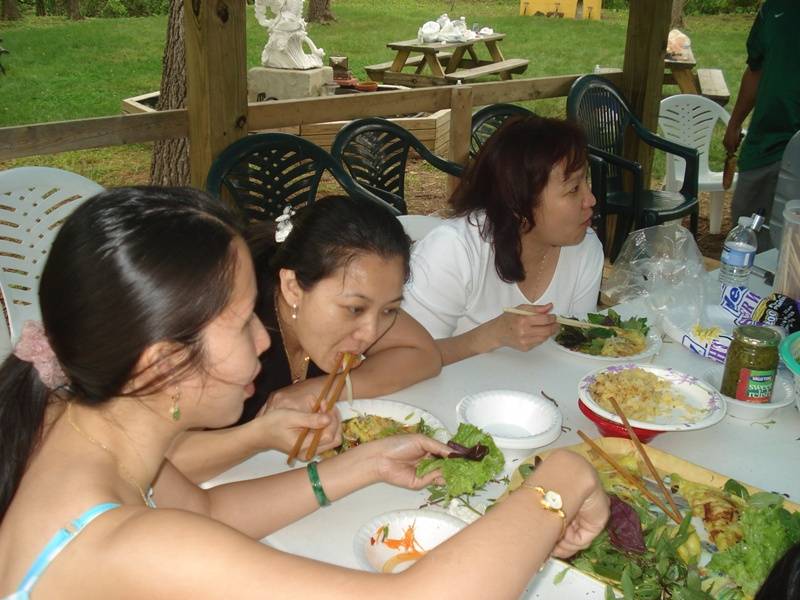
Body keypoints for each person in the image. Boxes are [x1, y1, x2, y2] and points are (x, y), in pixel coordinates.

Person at [0, 186, 609, 599]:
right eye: (242, 323)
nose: (264, 341)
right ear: (161, 364)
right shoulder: (124, 544)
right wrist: (562, 477)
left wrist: (360, 466)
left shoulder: (75, 420)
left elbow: (207, 512)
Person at [167, 195, 443, 482]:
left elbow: (423, 354)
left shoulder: (355, 304)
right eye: (354, 309)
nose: (371, 333)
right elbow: (158, 462)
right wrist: (256, 437)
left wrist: (318, 388)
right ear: (292, 287)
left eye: (389, 310)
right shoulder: (229, 327)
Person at [403, 115, 603, 365]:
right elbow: (405, 359)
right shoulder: (453, 251)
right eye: (573, 189)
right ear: (519, 203)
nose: (591, 199)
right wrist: (491, 335)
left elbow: (579, 352)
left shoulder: (585, 247)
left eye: (586, 181)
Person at [723, 0, 800, 249]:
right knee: (747, 233)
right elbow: (755, 70)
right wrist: (735, 123)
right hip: (765, 145)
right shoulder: (772, 9)